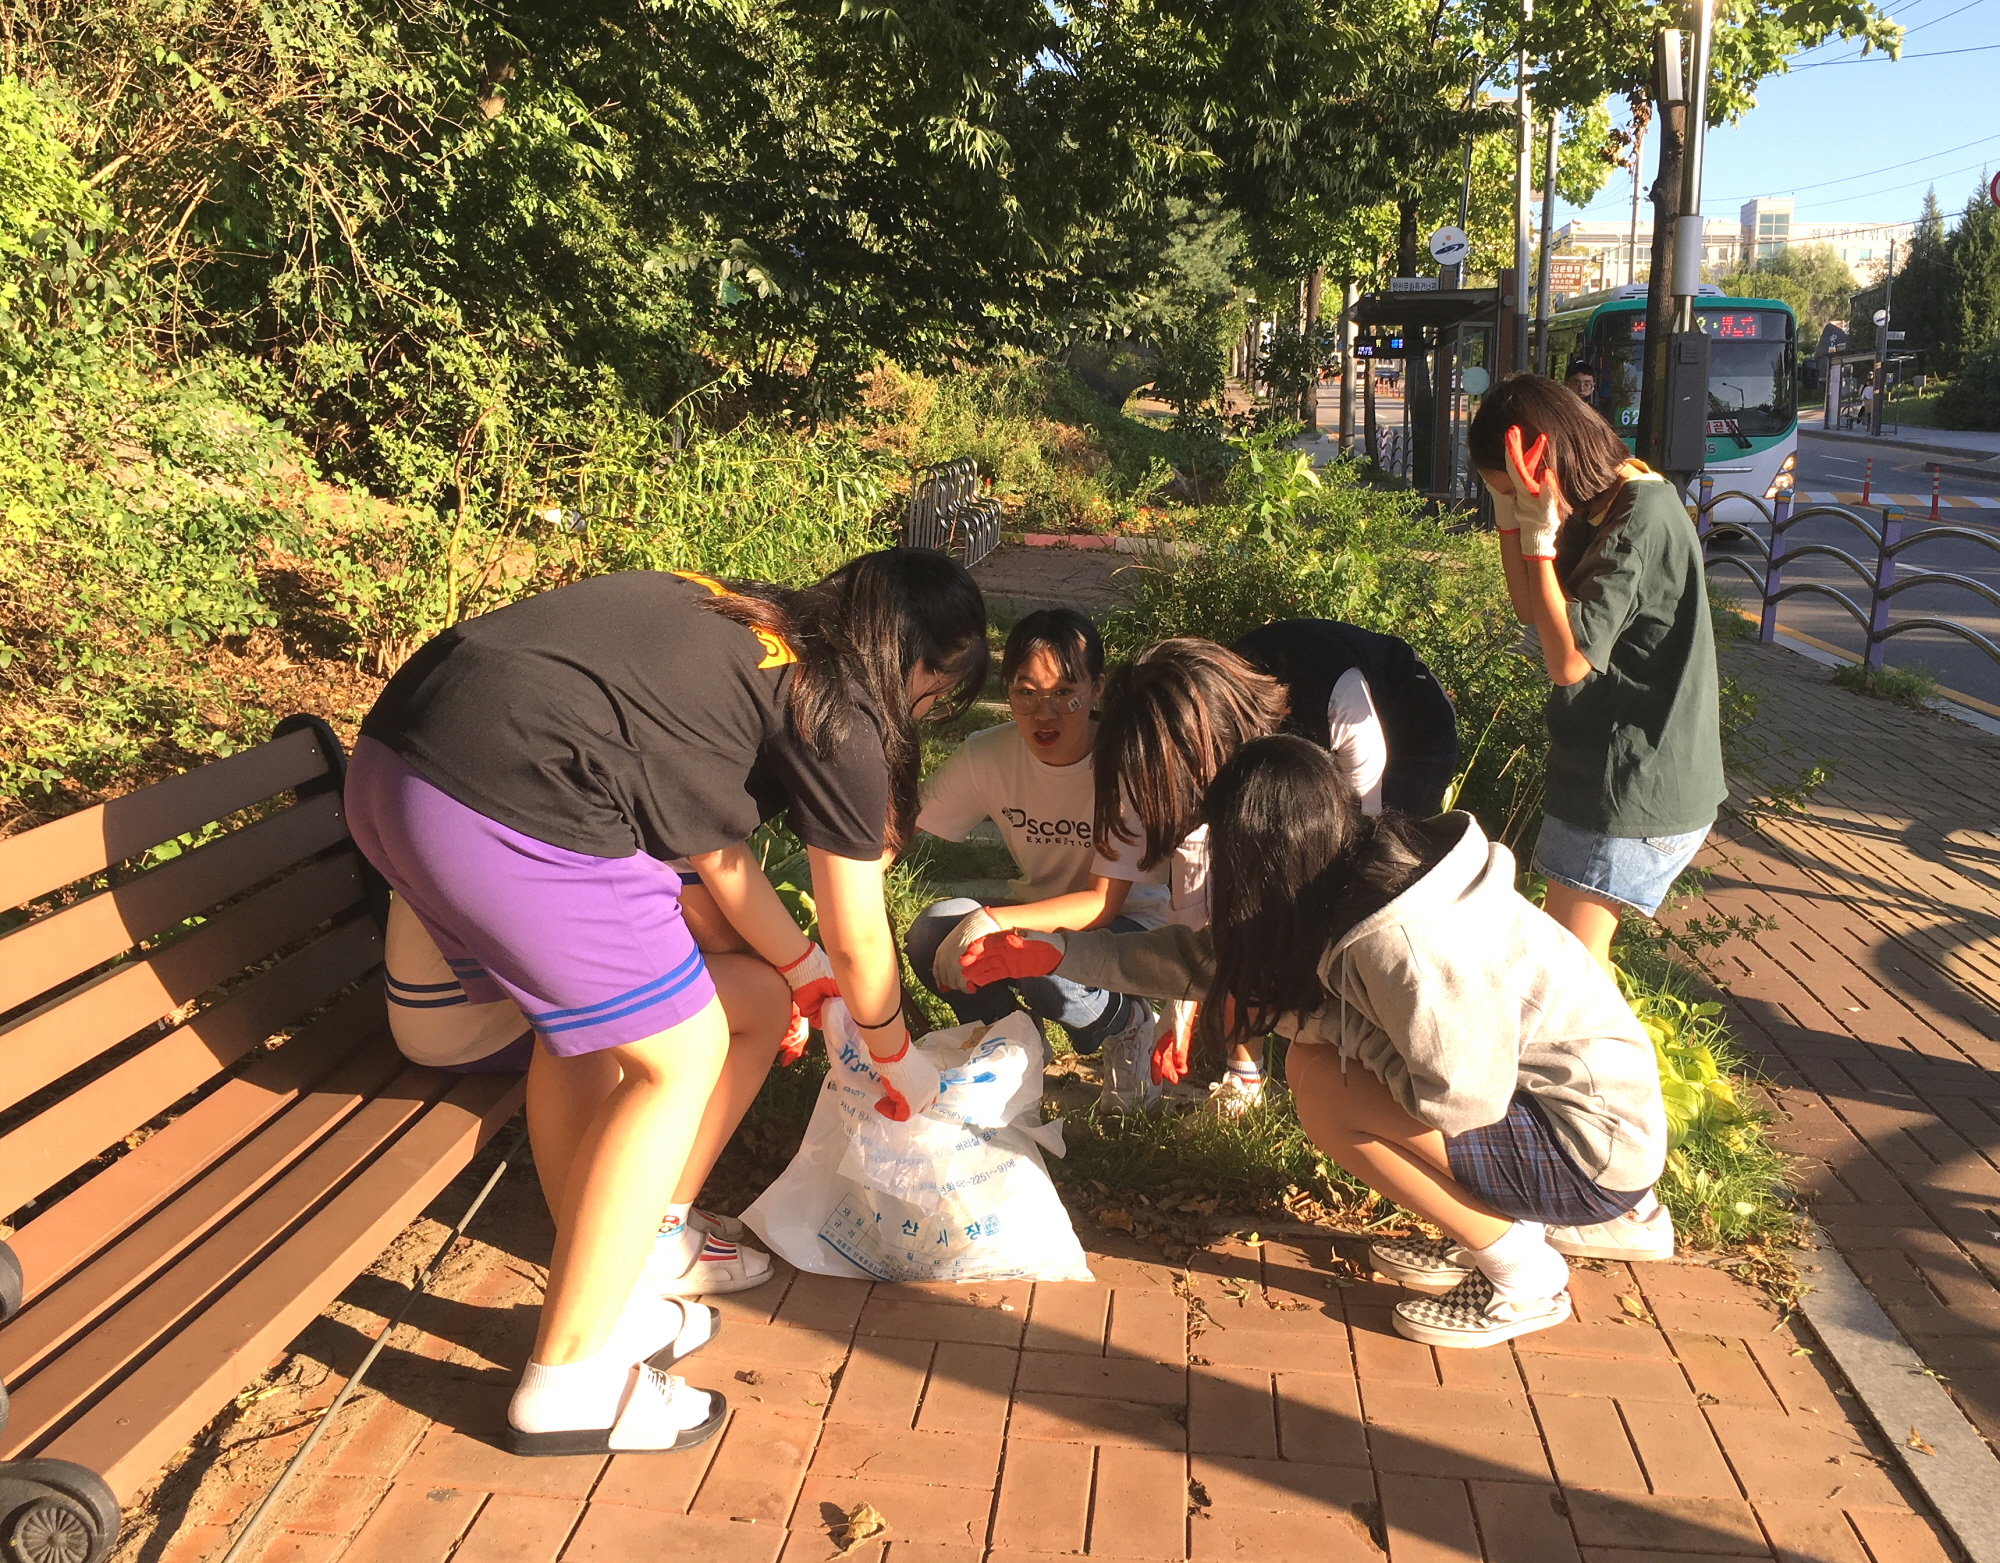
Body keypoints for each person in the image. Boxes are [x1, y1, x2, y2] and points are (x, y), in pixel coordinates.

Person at [346, 550, 987, 1456]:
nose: (923, 716)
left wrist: (802, 972)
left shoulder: (730, 612)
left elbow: (722, 855)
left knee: (587, 1037)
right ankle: (570, 1379)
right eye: (937, 698)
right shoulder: (842, 708)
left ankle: (612, 1286)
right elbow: (862, 931)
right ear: (920, 664)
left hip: (392, 776)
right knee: (680, 1054)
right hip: (512, 800)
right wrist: (896, 1053)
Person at [957, 736, 1670, 1349]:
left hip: (1590, 1148)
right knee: (1320, 1068)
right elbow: (1206, 962)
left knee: (1324, 1090)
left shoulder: (1403, 940)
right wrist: (1054, 952)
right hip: (1551, 1113)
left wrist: (1317, 1025)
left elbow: (1463, 1098)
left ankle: (1524, 1273)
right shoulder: (1349, 870)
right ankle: (1488, 1230)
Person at [1469, 374, 1724, 990]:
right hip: (1605, 772)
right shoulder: (1599, 503)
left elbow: (1569, 661)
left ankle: (1604, 1087)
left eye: (1511, 485)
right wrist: (1515, 523)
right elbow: (1531, 607)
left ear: (1547, 457)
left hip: (1633, 783)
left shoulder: (1640, 514)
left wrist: (1536, 533)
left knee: (1573, 984)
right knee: (1573, 973)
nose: (1511, 495)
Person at [904, 610, 1168, 1111]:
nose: (1045, 714)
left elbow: (1100, 905)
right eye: (1026, 693)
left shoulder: (1124, 762)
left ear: (1096, 689)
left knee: (1034, 957)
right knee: (932, 933)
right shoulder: (989, 754)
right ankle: (1016, 1047)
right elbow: (900, 832)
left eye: (1065, 692)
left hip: (1135, 924)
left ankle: (1127, 1023)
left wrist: (992, 920)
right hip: (1039, 910)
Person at [1089, 640, 1289, 1111]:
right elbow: (1200, 908)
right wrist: (1179, 1010)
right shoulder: (1198, 772)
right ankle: (1245, 1075)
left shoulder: (1303, 763)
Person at [1231, 618, 1460, 818]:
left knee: (1388, 848)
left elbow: (1367, 816)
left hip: (1418, 729)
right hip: (1320, 701)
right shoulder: (1221, 685)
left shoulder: (1340, 700)